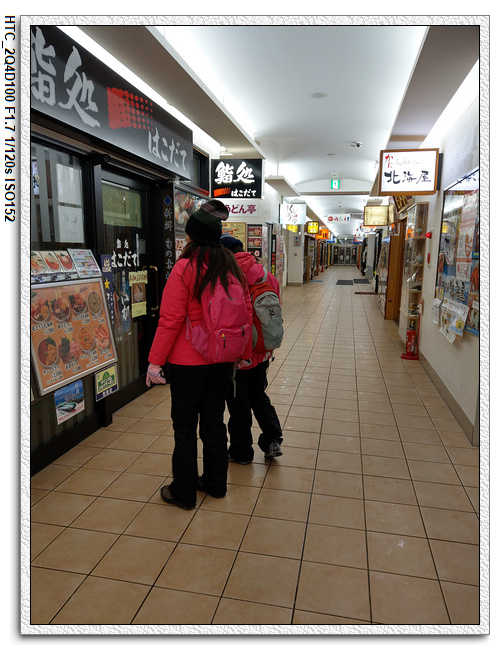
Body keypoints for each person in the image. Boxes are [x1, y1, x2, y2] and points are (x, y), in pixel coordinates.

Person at [146, 200, 253, 510]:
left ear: (192, 236)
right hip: (222, 359)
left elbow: (170, 320)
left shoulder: (184, 268)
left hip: (187, 363)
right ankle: (216, 485)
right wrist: (243, 353)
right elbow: (246, 314)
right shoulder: (231, 266)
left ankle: (184, 492)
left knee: (184, 427)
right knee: (214, 423)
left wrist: (155, 362)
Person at [220, 234, 284, 463]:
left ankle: (241, 451)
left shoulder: (227, 278)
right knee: (259, 396)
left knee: (239, 404)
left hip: (239, 356)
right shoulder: (266, 274)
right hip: (263, 350)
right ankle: (272, 440)